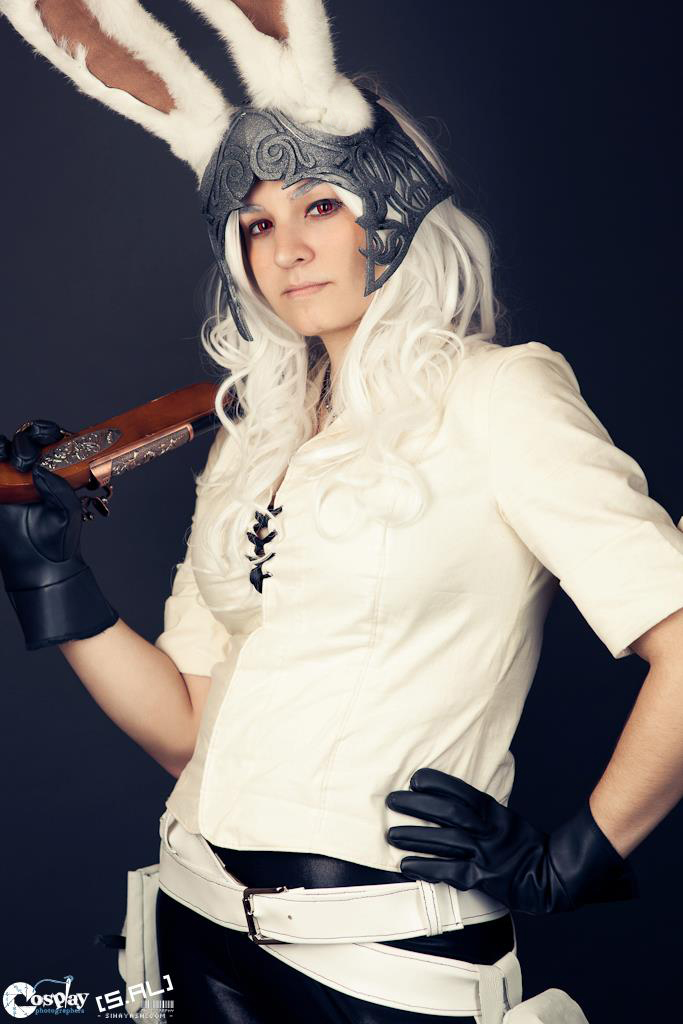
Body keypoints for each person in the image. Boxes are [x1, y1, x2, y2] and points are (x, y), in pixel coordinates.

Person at [1, 3, 683, 1023]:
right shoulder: (251, 434)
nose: (287, 250)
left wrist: (575, 854)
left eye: (319, 205)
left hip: (382, 962)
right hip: (190, 922)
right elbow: (188, 731)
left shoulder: (497, 394)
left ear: (392, 205)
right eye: (257, 224)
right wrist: (52, 576)